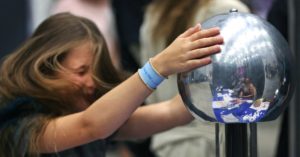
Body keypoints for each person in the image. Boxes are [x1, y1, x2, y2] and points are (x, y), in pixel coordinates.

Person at [0, 12, 223, 157]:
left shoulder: (98, 117)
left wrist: (222, 74)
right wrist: (157, 67)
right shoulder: (19, 124)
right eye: (81, 71)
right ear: (46, 66)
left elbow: (172, 112)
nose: (90, 83)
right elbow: (90, 126)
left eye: (95, 74)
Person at [139, 0, 249, 156]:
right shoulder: (226, 9)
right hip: (210, 140)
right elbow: (239, 82)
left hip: (168, 139)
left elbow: (149, 88)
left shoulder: (154, 13)